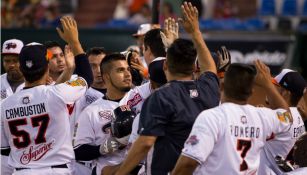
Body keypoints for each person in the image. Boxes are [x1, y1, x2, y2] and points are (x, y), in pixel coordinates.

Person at [114, 3, 220, 175]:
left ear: (165, 66)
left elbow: (146, 143)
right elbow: (210, 68)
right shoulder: (208, 88)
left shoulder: (161, 97)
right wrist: (195, 33)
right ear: (194, 68)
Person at [171, 61, 293, 175]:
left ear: (221, 86)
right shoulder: (262, 116)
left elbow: (188, 163)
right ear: (251, 92)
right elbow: (287, 117)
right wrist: (267, 84)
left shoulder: (212, 117)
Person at [0, 39, 88, 175]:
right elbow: (87, 77)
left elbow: (5, 149)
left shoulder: (4, 105)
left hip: (22, 171)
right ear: (47, 67)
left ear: (22, 70)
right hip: (58, 170)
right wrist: (75, 41)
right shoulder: (58, 93)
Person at [73, 53, 132, 175]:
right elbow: (78, 151)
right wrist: (103, 148)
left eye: (128, 69)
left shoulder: (140, 97)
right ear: (106, 77)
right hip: (109, 169)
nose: (127, 74)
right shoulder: (91, 111)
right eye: (120, 70)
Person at [258, 69, 306, 175]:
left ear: (286, 93)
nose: (272, 90)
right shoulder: (298, 116)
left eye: (276, 86)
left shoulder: (281, 118)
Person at [1, 38, 24, 175]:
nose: (11, 65)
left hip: (29, 154)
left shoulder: (36, 83)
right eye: (7, 61)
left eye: (15, 61)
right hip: (2, 155)